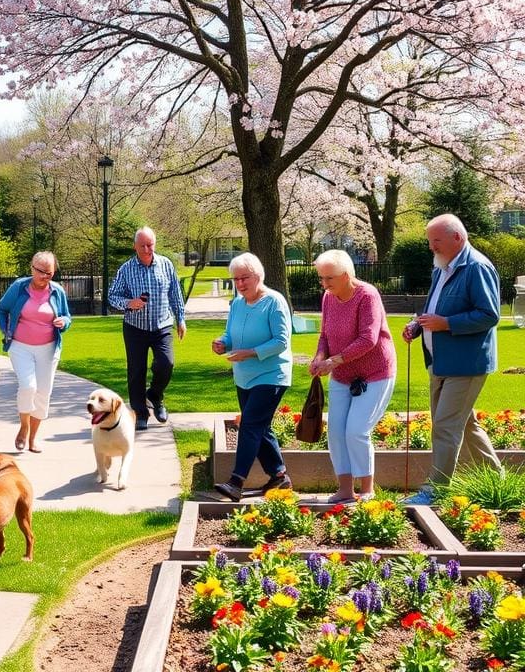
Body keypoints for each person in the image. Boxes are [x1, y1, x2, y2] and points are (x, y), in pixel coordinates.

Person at [403, 213, 503, 505]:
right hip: (440, 362)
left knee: (445, 426)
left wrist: (446, 324)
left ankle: (434, 492)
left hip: (466, 364)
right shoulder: (441, 268)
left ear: (457, 237)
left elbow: (489, 315)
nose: (431, 246)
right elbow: (432, 308)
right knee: (464, 424)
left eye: (436, 240)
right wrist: (417, 325)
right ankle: (496, 481)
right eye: (429, 241)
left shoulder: (477, 267)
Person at [310, 250, 397, 503]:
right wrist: (319, 357)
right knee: (336, 432)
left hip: (375, 372)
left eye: (329, 279)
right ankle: (345, 489)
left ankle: (367, 490)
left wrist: (332, 361)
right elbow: (325, 335)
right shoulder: (328, 297)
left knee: (357, 430)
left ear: (346, 275)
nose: (324, 284)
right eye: (321, 279)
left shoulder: (367, 295)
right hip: (341, 375)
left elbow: (368, 339)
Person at [211, 253, 293, 501]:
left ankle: (236, 481)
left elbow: (281, 341)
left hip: (271, 376)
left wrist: (251, 353)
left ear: (258, 276)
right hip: (244, 376)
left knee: (249, 424)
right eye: (236, 279)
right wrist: (223, 343)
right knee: (260, 426)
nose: (240, 284)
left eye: (244, 278)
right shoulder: (237, 304)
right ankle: (279, 477)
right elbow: (230, 334)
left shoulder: (274, 302)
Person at [108, 226, 186, 431]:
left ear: (155, 244)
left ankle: (155, 396)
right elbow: (112, 296)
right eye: (142, 245)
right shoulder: (126, 269)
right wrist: (128, 303)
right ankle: (140, 413)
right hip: (135, 327)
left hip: (162, 325)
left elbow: (175, 293)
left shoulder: (166, 265)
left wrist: (181, 319)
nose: (146, 249)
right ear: (135, 246)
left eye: (149, 244)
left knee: (166, 364)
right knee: (136, 371)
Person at [0, 251, 72, 453]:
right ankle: (24, 426)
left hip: (48, 348)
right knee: (28, 387)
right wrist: (5, 330)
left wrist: (63, 322)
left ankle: (33, 439)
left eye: (49, 273)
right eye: (41, 272)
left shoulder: (57, 291)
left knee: (43, 392)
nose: (45, 277)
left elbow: (67, 316)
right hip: (21, 346)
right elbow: (1, 308)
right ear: (32, 268)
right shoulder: (19, 287)